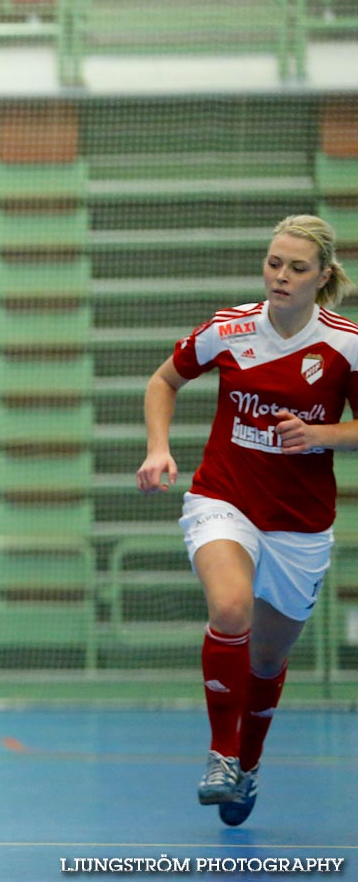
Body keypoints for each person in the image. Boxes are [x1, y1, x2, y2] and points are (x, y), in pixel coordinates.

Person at [137, 214, 357, 827]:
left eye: (296, 268)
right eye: (273, 263)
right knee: (230, 607)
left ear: (323, 277)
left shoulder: (345, 344)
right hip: (223, 499)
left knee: (266, 661)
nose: (280, 276)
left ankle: (247, 765)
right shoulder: (229, 328)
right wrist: (159, 448)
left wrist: (320, 434)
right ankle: (221, 754)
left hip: (301, 524)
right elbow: (163, 381)